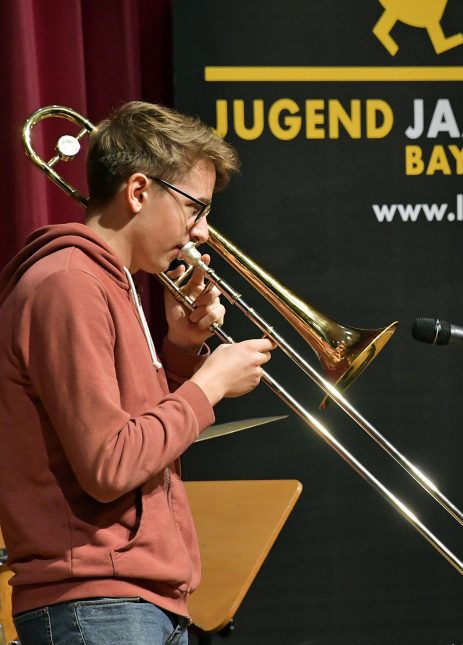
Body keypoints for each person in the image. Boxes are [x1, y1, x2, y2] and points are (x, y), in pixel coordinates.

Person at [0, 101, 276, 644]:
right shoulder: (69, 284)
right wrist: (209, 386)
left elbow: (135, 439)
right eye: (195, 209)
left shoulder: (108, 283)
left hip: (132, 601)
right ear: (139, 191)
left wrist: (181, 352)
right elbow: (109, 464)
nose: (202, 233)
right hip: (95, 604)